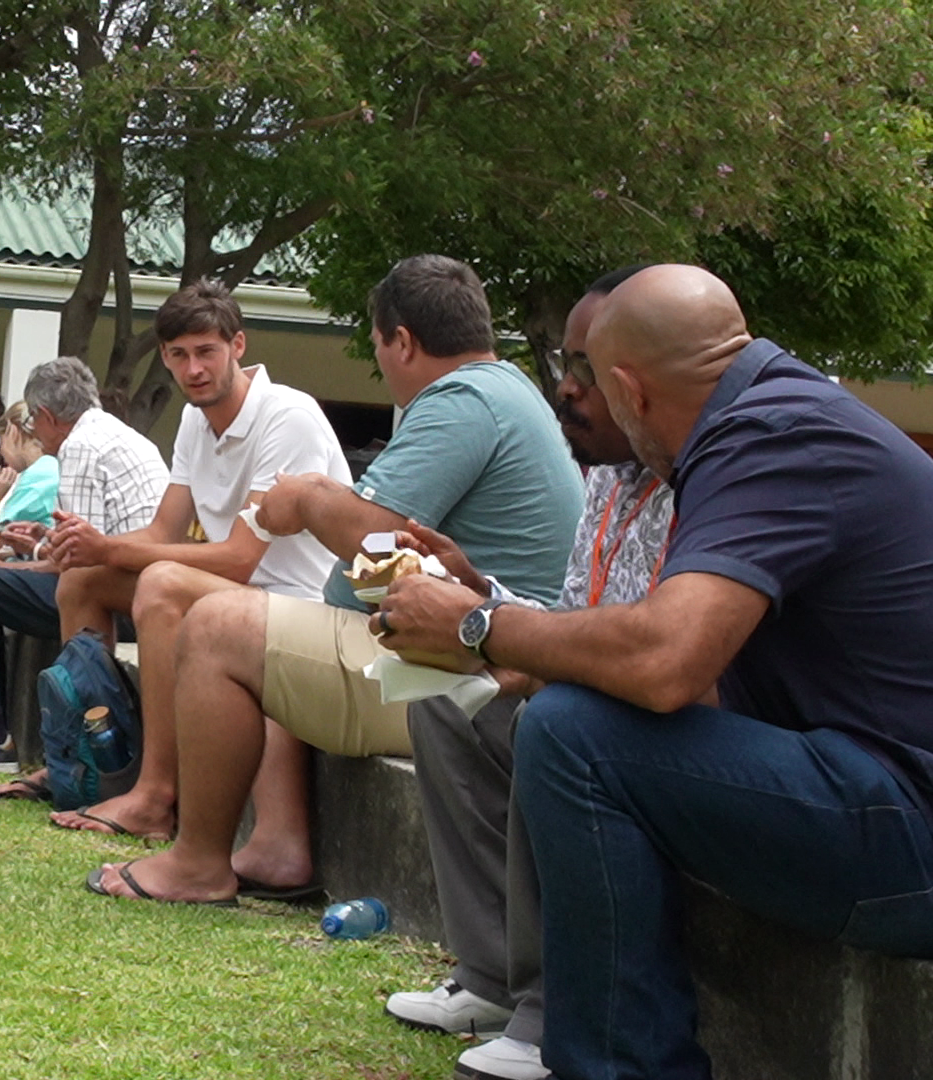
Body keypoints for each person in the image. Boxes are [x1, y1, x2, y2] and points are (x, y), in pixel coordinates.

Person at [377, 265, 933, 1080]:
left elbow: (668, 664)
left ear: (630, 392)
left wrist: (478, 624)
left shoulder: (769, 438)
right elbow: (699, 675)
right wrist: (512, 637)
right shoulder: (778, 414)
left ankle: (615, 1064)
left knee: (576, 735)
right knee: (568, 711)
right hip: (879, 795)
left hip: (908, 828)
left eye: (590, 383)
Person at [84, 254, 582, 902]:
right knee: (279, 621)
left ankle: (197, 863)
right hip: (483, 652)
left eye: (377, 344)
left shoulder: (461, 404)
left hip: (470, 674)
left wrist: (311, 496)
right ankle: (280, 844)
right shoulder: (506, 391)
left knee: (217, 625)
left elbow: (373, 542)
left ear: (400, 340)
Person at [383, 266, 673, 1080]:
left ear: (637, 379)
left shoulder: (700, 483)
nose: (567, 391)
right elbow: (574, 614)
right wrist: (483, 592)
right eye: (564, 367)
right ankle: (490, 980)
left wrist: (494, 635)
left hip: (651, 731)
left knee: (559, 724)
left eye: (585, 371)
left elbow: (650, 656)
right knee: (442, 702)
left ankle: (552, 1010)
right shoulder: (610, 483)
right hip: (598, 702)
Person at [29, 280, 350, 855]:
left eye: (206, 351)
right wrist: (89, 545)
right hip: (241, 591)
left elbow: (240, 557)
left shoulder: (288, 416)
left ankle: (157, 796)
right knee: (81, 578)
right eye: (178, 355)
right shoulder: (195, 422)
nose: (193, 369)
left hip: (303, 601)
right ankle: (93, 765)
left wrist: (114, 549)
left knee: (162, 582)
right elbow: (160, 532)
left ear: (238, 346)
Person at [0, 355, 168, 770]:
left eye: (33, 424)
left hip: (118, 603)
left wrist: (23, 560)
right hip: (140, 589)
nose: (35, 435)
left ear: (46, 415)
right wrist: (17, 562)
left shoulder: (81, 446)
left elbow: (81, 569)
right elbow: (83, 554)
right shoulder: (119, 435)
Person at [0, 400, 59, 558]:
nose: (2, 454)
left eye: (1, 442)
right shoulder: (54, 465)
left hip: (31, 572)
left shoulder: (38, 474)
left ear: (12, 431)